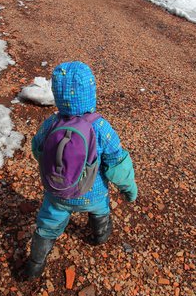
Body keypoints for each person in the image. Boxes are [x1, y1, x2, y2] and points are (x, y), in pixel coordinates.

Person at [24, 61, 137, 279]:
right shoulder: (100, 127)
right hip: (91, 194)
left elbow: (38, 149)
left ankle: (35, 264)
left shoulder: (51, 124)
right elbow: (117, 163)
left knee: (47, 226)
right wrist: (128, 189)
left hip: (57, 193)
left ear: (57, 94)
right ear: (91, 92)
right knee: (100, 210)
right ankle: (100, 235)